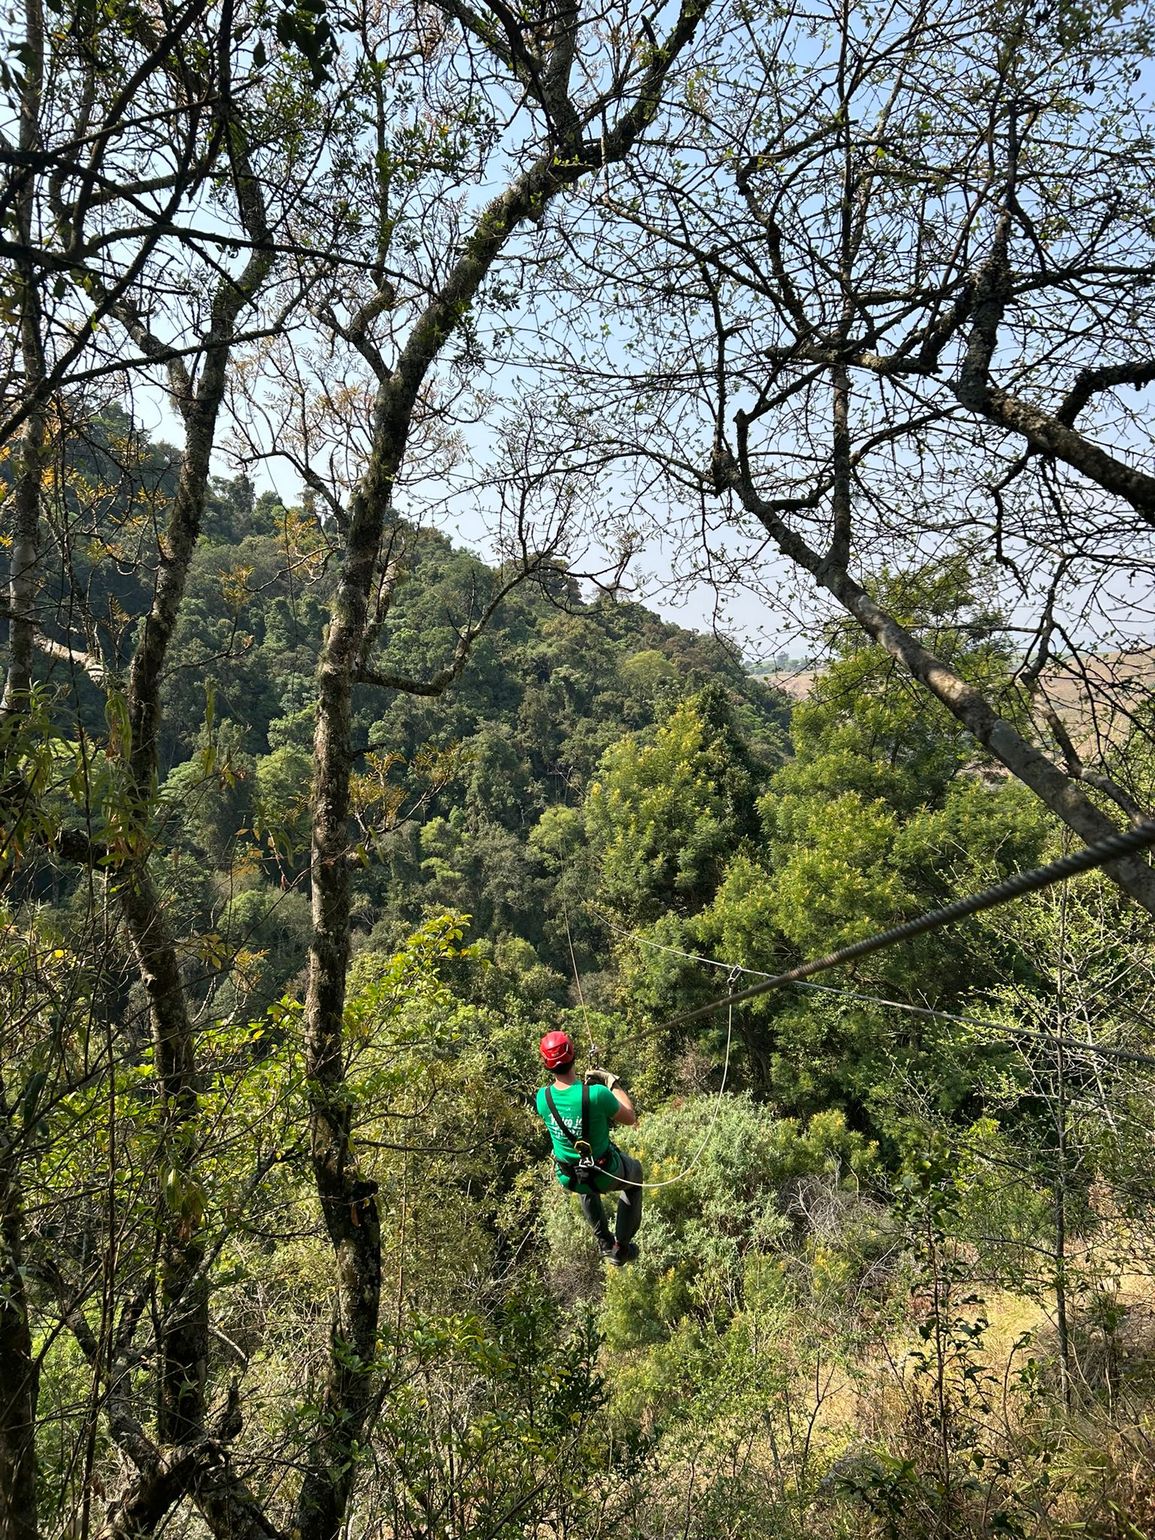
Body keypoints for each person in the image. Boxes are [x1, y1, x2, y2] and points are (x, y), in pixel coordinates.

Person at [535, 1029, 643, 1267]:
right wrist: (612, 1083)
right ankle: (621, 1247)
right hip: (604, 1171)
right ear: (573, 1055)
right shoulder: (597, 1094)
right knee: (635, 1176)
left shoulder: (542, 1098)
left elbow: (570, 1103)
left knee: (583, 1178)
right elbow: (629, 1116)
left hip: (570, 1176)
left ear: (547, 1065)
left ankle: (604, 1241)